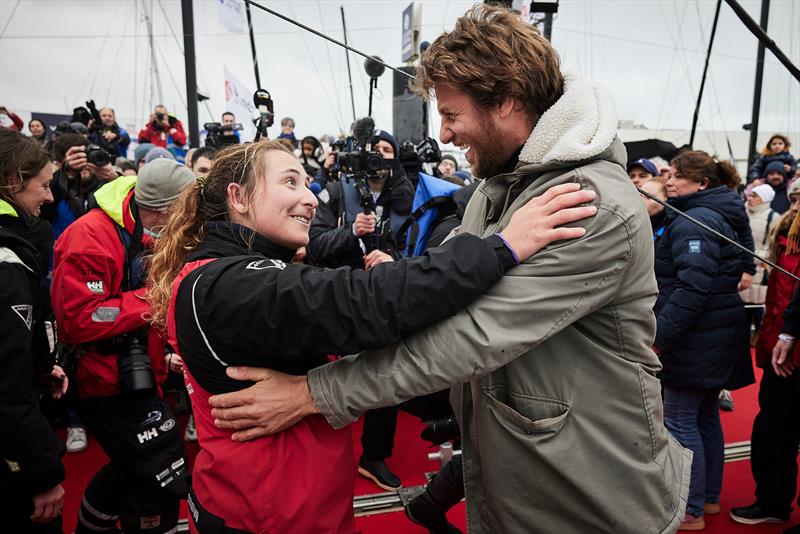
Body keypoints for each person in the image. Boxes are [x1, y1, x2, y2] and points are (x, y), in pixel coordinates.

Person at [207, 6, 691, 533]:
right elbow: (442, 282)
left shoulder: (588, 204)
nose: (444, 134)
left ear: (504, 102)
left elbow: (471, 337)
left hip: (591, 496)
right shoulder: (498, 185)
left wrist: (312, 393)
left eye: (452, 114)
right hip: (521, 479)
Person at [144, 138, 595, 532]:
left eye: (306, 183)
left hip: (291, 502)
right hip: (270, 513)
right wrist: (503, 245)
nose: (310, 199)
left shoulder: (223, 275)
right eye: (289, 183)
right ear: (238, 198)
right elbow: (368, 303)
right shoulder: (228, 284)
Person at [51, 159, 194, 533]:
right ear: (164, 210)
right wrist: (155, 298)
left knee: (133, 467)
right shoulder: (90, 237)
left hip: (141, 370)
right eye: (186, 211)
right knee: (162, 473)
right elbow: (81, 319)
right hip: (103, 378)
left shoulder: (142, 227)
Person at [308, 126, 416, 489]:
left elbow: (425, 253)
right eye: (375, 148)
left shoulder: (410, 197)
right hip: (336, 297)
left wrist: (393, 260)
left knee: (385, 372)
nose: (379, 155)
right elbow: (313, 243)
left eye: (387, 149)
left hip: (382, 299)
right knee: (315, 375)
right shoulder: (338, 192)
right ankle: (314, 458)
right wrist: (350, 231)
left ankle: (373, 457)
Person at [655, 150, 755, 530]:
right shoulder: (710, 213)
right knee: (705, 416)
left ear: (702, 184)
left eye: (677, 175)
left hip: (697, 337)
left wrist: (660, 337)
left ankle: (690, 508)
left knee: (681, 421)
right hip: (713, 332)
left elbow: (691, 288)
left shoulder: (693, 220)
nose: (669, 180)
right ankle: (707, 499)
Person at [0, 129, 68, 532]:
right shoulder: (7, 260)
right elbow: (6, 386)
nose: (49, 197)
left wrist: (42, 365)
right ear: (12, 181)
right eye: (43, 185)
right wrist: (41, 476)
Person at [730, 179, 800, 527]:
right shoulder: (785, 231)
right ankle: (773, 501)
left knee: (780, 430)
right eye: (796, 198)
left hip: (793, 352)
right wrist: (775, 344)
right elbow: (779, 298)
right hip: (781, 351)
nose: (797, 205)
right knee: (772, 431)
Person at [741, 184, 779, 343]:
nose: (750, 198)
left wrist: (756, 256)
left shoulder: (774, 217)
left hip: (761, 268)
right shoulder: (741, 213)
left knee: (758, 307)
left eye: (755, 196)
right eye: (749, 195)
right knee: (742, 308)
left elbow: (772, 246)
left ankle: (759, 336)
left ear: (764, 199)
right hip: (742, 266)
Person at [640, 177, 668, 242]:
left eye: (648, 197)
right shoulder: (634, 225)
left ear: (666, 198)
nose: (641, 201)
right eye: (640, 196)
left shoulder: (673, 227)